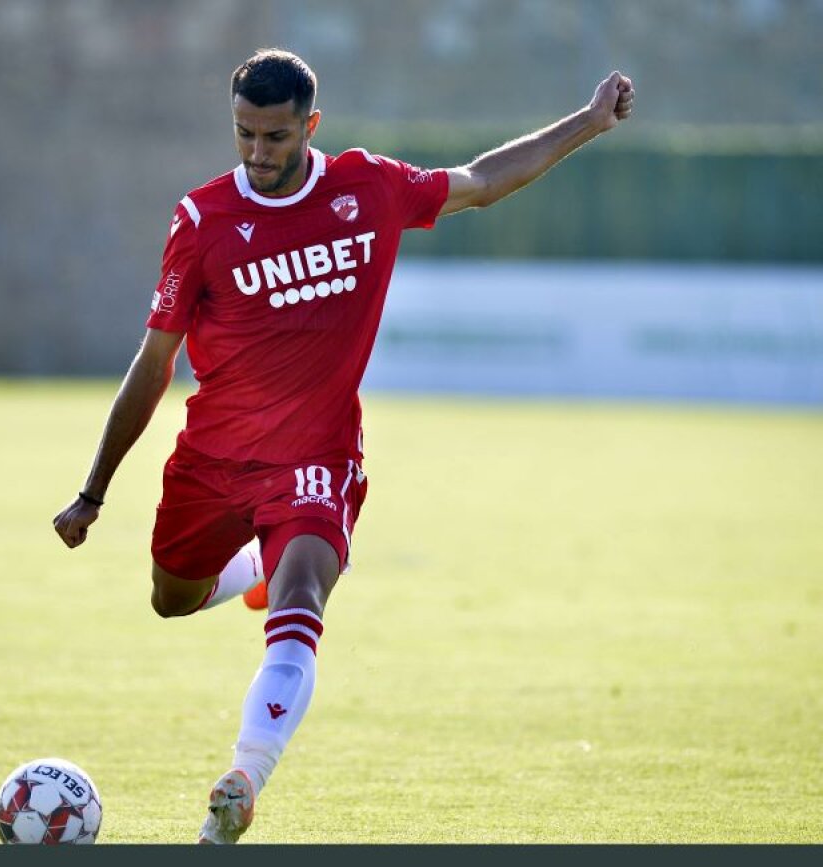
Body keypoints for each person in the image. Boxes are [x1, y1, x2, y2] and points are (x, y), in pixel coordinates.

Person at [53, 49, 633, 842]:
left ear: (311, 125)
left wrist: (589, 122)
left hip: (317, 457)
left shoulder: (369, 187)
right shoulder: (202, 220)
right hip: (215, 459)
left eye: (275, 136)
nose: (258, 152)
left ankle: (242, 781)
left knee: (302, 601)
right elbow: (154, 362)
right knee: (171, 597)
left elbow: (482, 179)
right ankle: (254, 565)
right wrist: (94, 490)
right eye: (244, 133)